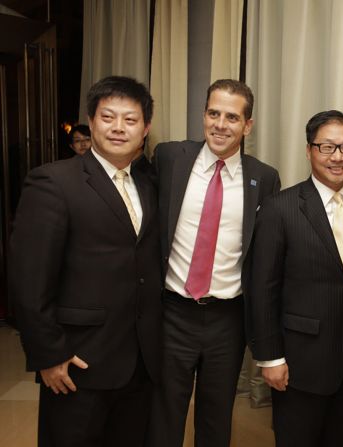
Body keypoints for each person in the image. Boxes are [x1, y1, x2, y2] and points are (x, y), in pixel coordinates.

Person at [10, 76, 161, 446]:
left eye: (130, 119)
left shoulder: (150, 182)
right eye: (108, 117)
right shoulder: (52, 182)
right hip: (77, 360)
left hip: (141, 361)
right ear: (91, 121)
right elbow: (29, 281)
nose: (118, 127)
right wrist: (48, 354)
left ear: (145, 128)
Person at [147, 79, 280, 447]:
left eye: (232, 117)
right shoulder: (170, 157)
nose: (221, 124)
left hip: (227, 318)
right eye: (213, 113)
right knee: (164, 413)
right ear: (203, 115)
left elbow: (270, 244)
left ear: (247, 125)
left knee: (216, 414)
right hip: (172, 311)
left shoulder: (264, 178)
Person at [249, 110, 343, 447]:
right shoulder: (280, 208)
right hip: (297, 362)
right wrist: (270, 357)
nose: (338, 157)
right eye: (327, 147)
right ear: (309, 151)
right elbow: (262, 288)